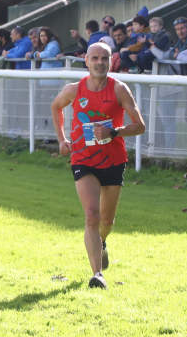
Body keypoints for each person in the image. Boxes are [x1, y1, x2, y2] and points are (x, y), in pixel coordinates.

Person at [50, 42, 146, 289]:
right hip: (83, 158)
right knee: (91, 215)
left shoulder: (119, 90)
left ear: (111, 61)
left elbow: (140, 126)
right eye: (95, 58)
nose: (99, 63)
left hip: (113, 160)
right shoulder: (74, 90)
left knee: (107, 221)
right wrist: (62, 139)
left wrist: (115, 131)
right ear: (86, 61)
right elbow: (56, 107)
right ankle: (97, 274)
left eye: (104, 58)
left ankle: (102, 242)